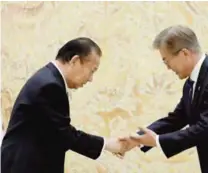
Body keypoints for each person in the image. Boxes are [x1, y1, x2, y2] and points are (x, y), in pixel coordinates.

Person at [121, 25, 208, 173]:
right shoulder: (193, 81)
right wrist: (137, 138)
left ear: (184, 53)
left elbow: (203, 129)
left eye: (166, 61)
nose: (168, 68)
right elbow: (177, 119)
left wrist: (156, 141)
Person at [1, 37, 126, 173]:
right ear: (75, 61)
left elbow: (56, 134)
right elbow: (64, 134)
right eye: (92, 71)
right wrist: (108, 144)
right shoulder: (50, 85)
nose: (91, 79)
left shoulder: (48, 78)